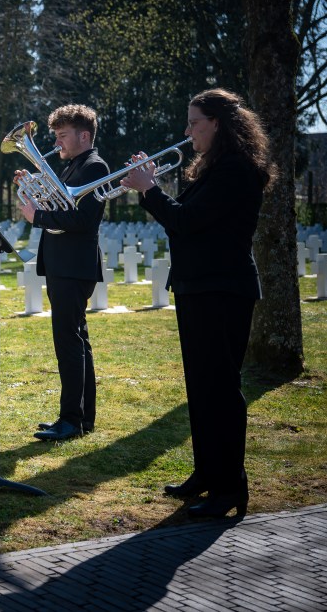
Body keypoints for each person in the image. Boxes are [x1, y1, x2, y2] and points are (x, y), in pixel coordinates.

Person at [120, 88, 275, 518]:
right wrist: (152, 185)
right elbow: (183, 222)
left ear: (217, 124)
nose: (187, 132)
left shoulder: (236, 170)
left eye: (194, 123)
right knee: (201, 389)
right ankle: (207, 473)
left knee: (221, 391)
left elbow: (185, 222)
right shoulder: (210, 170)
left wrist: (149, 190)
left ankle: (230, 488)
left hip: (223, 290)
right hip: (197, 287)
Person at [16, 104, 109, 441]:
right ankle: (81, 417)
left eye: (62, 136)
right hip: (64, 264)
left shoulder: (93, 166)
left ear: (84, 136)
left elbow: (83, 220)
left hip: (72, 266)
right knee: (76, 340)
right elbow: (59, 204)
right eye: (55, 136)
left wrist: (37, 217)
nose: (56, 143)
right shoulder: (72, 167)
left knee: (68, 342)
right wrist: (32, 188)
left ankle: (71, 419)